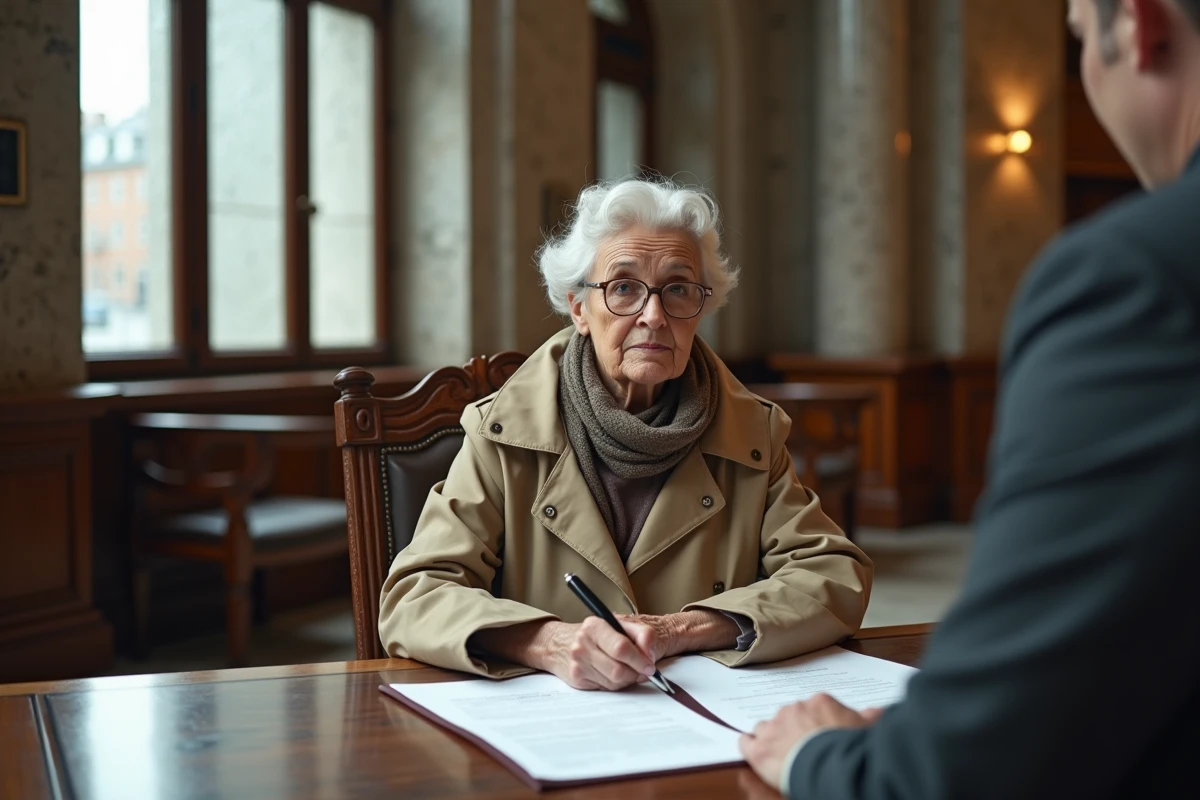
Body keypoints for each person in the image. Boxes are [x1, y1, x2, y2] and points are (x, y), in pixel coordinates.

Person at [740, 0, 1200, 796]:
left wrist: (821, 756)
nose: (651, 313)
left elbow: (962, 775)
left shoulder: (1138, 277)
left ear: (1139, 23)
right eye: (623, 288)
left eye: (1083, 37)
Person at [378, 179, 872, 690]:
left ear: (702, 307)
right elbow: (417, 596)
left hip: (704, 714)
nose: (654, 316)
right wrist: (550, 642)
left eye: (678, 288)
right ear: (578, 308)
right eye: (623, 288)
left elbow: (833, 576)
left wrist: (679, 630)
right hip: (546, 722)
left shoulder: (752, 433)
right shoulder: (501, 432)